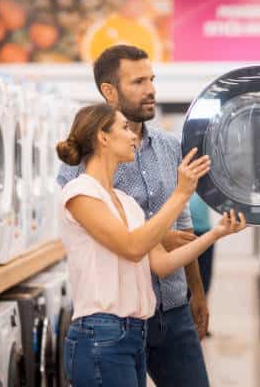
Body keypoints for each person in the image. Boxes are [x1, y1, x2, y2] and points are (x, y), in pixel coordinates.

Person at [56, 103, 246, 387]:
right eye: (124, 128)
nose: (133, 136)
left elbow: (161, 263)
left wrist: (216, 233)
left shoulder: (128, 203)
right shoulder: (79, 193)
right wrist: (181, 193)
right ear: (102, 137)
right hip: (99, 336)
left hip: (133, 334)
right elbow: (132, 248)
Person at [57, 45, 211, 386]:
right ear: (109, 91)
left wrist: (196, 293)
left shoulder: (170, 146)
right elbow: (105, 236)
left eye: (152, 79)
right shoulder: (83, 166)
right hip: (112, 317)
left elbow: (183, 226)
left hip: (171, 307)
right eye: (138, 81)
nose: (151, 89)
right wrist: (156, 235)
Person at [189, 194, 215, 300]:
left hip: (204, 231)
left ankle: (202, 306)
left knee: (204, 279)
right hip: (184, 232)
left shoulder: (205, 181)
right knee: (187, 279)